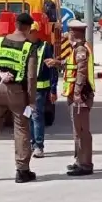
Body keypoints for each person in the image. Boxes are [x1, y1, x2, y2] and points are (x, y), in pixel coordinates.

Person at [0, 12, 39, 183]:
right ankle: (22, 171)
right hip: (18, 93)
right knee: (21, 130)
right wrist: (32, 102)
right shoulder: (29, 47)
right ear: (28, 27)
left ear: (15, 24)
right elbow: (32, 77)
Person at [62, 19, 95, 176]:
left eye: (69, 32)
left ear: (74, 33)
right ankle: (79, 160)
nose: (67, 34)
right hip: (76, 94)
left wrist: (77, 94)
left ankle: (85, 164)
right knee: (77, 131)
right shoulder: (75, 49)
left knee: (82, 130)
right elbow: (73, 67)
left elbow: (81, 72)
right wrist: (57, 63)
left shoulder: (81, 49)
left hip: (81, 96)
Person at [30, 24, 57, 159]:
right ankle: (32, 143)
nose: (30, 34)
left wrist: (53, 89)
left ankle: (38, 146)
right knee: (27, 115)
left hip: (40, 89)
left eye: (32, 32)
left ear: (36, 32)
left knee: (36, 116)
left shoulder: (44, 47)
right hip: (26, 89)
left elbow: (52, 69)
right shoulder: (24, 46)